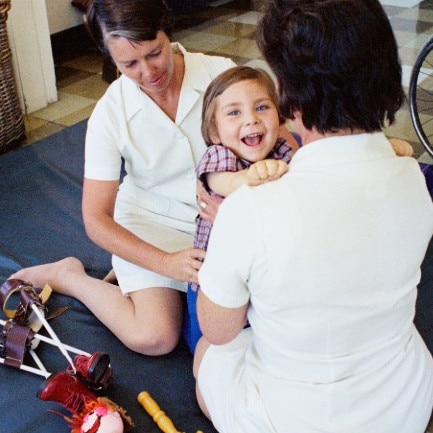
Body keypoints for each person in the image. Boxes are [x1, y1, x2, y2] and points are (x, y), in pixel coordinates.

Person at [192, 1, 433, 433]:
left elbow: (219, 329)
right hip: (405, 408)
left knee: (208, 354)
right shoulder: (415, 181)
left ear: (289, 94)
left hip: (291, 420)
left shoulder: (251, 206)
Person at [8, 0, 236, 356]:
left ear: (166, 31)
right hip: (149, 219)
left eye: (154, 53)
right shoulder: (110, 113)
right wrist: (163, 263)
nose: (148, 72)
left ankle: (137, 276)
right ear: (110, 59)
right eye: (129, 64)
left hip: (220, 217)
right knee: (154, 337)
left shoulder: (219, 75)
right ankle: (71, 277)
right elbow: (95, 220)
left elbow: (274, 136)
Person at [183, 65, 301, 353]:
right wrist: (249, 177)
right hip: (214, 278)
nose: (251, 120)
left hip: (260, 274)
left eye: (262, 107)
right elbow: (225, 182)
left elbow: (312, 169)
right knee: (207, 343)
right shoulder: (219, 155)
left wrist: (374, 150)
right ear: (214, 131)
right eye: (234, 113)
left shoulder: (282, 150)